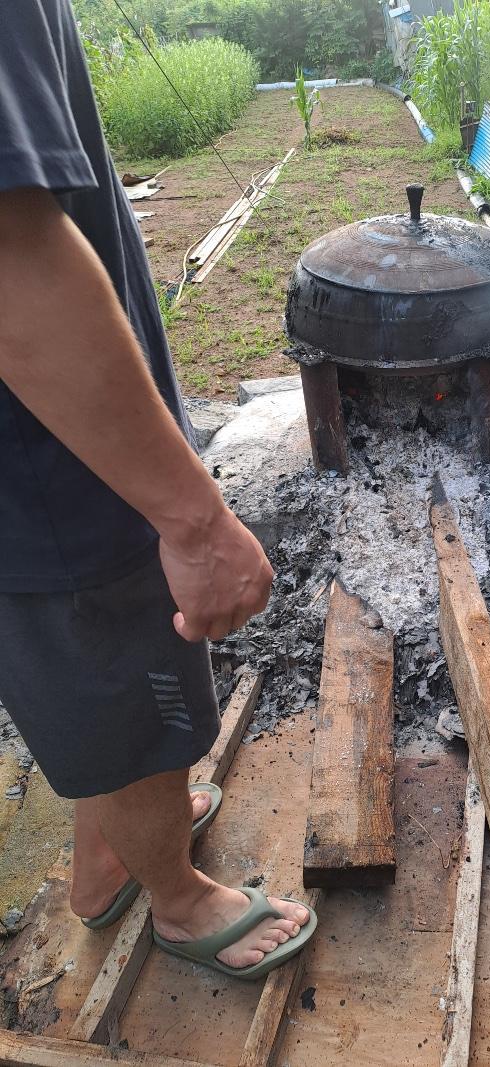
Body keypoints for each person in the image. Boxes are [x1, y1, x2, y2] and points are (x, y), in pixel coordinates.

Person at [0, 0, 316, 978]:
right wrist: (192, 517)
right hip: (55, 470)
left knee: (98, 691)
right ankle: (176, 900)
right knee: (137, 687)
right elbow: (12, 261)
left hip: (42, 466)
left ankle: (111, 849)